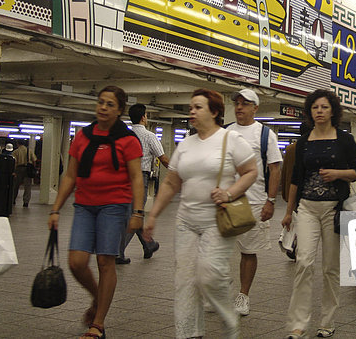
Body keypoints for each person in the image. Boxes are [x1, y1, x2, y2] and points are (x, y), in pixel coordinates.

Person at [143, 88, 257, 339]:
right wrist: (152, 215)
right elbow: (172, 183)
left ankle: (228, 320)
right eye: (191, 107)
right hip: (185, 222)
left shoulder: (230, 140)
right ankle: (188, 334)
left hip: (216, 221)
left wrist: (230, 192)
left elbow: (251, 171)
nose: (192, 111)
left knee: (209, 275)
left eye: (198, 107)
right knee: (184, 281)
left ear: (214, 112)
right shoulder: (185, 144)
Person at [48, 86, 144, 339]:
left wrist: (138, 212)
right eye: (101, 102)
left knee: (105, 261)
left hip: (115, 206)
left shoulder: (128, 140)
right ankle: (96, 297)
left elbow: (136, 179)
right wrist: (55, 208)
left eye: (110, 104)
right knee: (76, 262)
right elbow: (70, 175)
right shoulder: (83, 136)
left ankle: (98, 324)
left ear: (119, 110)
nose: (103, 107)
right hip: (84, 205)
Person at [282, 89, 356, 339]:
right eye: (315, 107)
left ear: (333, 111)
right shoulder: (304, 141)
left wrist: (338, 174)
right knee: (304, 262)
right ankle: (298, 324)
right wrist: (288, 212)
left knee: (330, 267)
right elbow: (296, 178)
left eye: (324, 107)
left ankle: (327, 321)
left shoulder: (344, 139)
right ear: (310, 112)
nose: (319, 111)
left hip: (333, 209)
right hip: (306, 207)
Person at [227, 88, 283, 315]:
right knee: (217, 249)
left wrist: (270, 201)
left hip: (255, 201)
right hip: (227, 201)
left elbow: (274, 169)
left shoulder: (265, 134)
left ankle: (243, 295)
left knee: (248, 251)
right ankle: (221, 287)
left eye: (245, 103)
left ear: (255, 108)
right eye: (237, 103)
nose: (239, 107)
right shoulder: (226, 132)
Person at [116, 103, 170, 265]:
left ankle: (148, 244)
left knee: (132, 213)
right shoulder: (149, 136)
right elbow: (163, 158)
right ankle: (118, 253)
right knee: (135, 214)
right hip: (140, 178)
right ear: (143, 117)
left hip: (124, 178)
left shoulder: (124, 135)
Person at [11, 139, 37, 207]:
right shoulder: (29, 151)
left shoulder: (15, 152)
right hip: (28, 169)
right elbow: (34, 160)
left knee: (15, 185)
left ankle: (13, 200)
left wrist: (14, 171)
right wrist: (33, 168)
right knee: (27, 186)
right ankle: (26, 202)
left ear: (17, 143)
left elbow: (14, 162)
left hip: (19, 169)